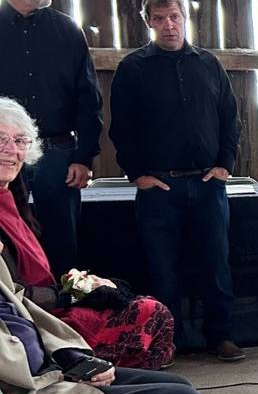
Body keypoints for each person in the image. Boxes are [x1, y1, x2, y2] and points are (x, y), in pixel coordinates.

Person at [109, 0, 244, 362]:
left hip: (207, 183)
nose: (168, 25)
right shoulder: (133, 68)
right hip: (159, 188)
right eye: (159, 18)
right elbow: (122, 128)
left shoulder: (208, 64)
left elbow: (230, 118)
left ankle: (222, 336)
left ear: (185, 17)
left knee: (216, 265)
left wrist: (224, 166)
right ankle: (168, 342)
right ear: (147, 22)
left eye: (174, 16)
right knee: (162, 270)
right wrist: (138, 175)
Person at [0, 96, 175, 369]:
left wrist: (81, 286)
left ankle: (116, 382)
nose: (12, 150)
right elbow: (11, 295)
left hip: (46, 304)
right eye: (1, 140)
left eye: (20, 141)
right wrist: (70, 295)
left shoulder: (12, 194)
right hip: (30, 323)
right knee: (151, 312)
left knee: (133, 299)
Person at [0, 243, 205, 394]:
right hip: (29, 390)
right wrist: (72, 293)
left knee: (181, 384)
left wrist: (74, 358)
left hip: (54, 368)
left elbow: (24, 309)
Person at [0, 0, 103, 276]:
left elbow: (89, 98)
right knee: (7, 247)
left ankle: (65, 322)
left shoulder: (67, 30)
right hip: (2, 154)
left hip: (58, 155)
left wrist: (83, 157)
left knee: (62, 245)